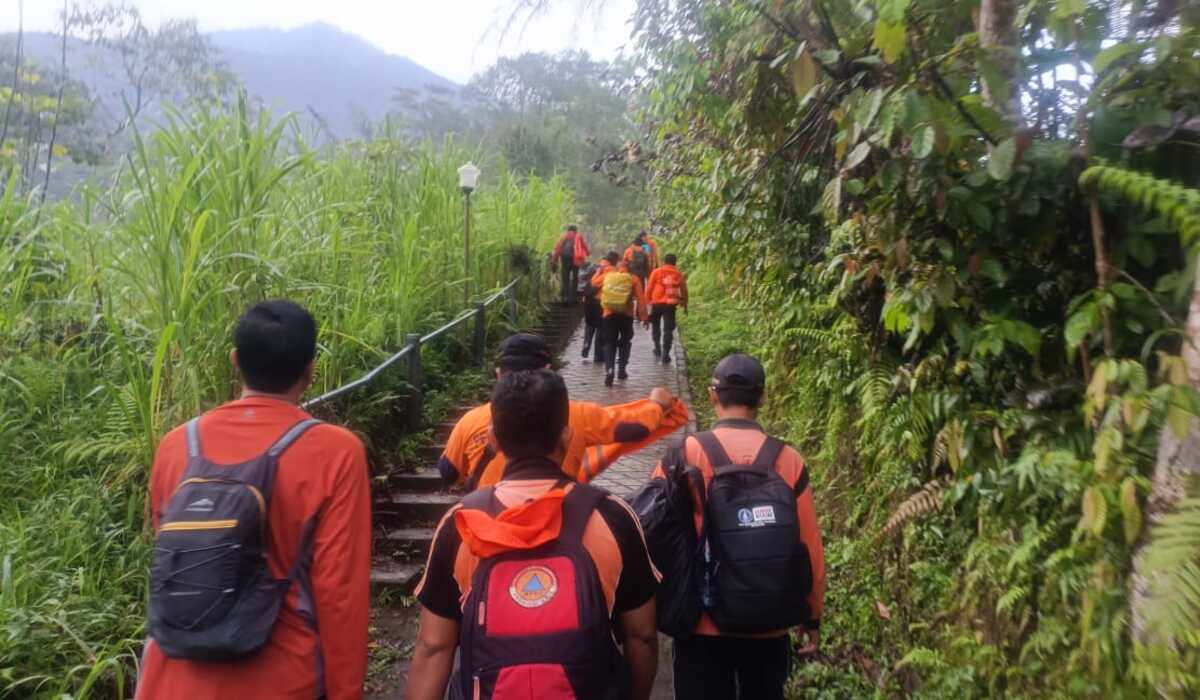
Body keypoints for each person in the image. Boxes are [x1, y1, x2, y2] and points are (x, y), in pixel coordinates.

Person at [137, 300, 371, 700]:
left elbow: (175, 564)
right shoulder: (336, 452)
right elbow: (339, 595)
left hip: (170, 679)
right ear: (310, 370)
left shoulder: (176, 445)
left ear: (234, 360)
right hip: (281, 680)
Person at [408, 369, 661, 700]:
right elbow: (641, 636)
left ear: (494, 438)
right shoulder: (611, 516)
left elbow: (434, 646)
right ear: (567, 436)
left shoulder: (461, 523)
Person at [650, 353, 825, 700]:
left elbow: (653, 533)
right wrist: (812, 616)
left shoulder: (684, 453)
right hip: (770, 621)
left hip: (701, 623)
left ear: (713, 395)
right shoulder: (788, 460)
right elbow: (809, 548)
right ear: (762, 398)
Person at [438, 332, 689, 489]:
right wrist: (657, 404)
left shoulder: (470, 421)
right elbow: (634, 427)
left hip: (486, 530)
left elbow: (448, 474)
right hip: (559, 524)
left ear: (498, 374)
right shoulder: (574, 415)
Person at [594, 252, 649, 387]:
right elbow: (641, 300)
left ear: (617, 267)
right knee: (625, 342)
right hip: (626, 315)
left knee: (609, 343)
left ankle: (610, 370)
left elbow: (594, 283)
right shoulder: (634, 279)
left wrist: (598, 272)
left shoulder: (608, 275)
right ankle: (622, 369)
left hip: (609, 315)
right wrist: (644, 317)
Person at [645, 252, 689, 364]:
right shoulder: (678, 274)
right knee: (668, 329)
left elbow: (649, 287)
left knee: (655, 325)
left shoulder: (656, 272)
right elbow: (684, 290)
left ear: (664, 262)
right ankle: (666, 353)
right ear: (675, 262)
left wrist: (648, 301)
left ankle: (657, 347)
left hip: (657, 303)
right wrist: (685, 304)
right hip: (671, 304)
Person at [552, 224, 590, 303]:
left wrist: (554, 261)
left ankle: (565, 297)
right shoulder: (578, 236)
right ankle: (573, 298)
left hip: (565, 259)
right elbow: (584, 246)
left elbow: (557, 249)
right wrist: (587, 254)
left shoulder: (563, 236)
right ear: (575, 230)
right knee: (575, 278)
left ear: (568, 230)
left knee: (565, 278)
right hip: (575, 259)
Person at [578, 257, 605, 362]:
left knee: (589, 328)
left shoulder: (589, 281)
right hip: (599, 305)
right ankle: (598, 355)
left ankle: (586, 346)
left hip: (588, 306)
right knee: (599, 329)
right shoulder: (602, 278)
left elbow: (585, 295)